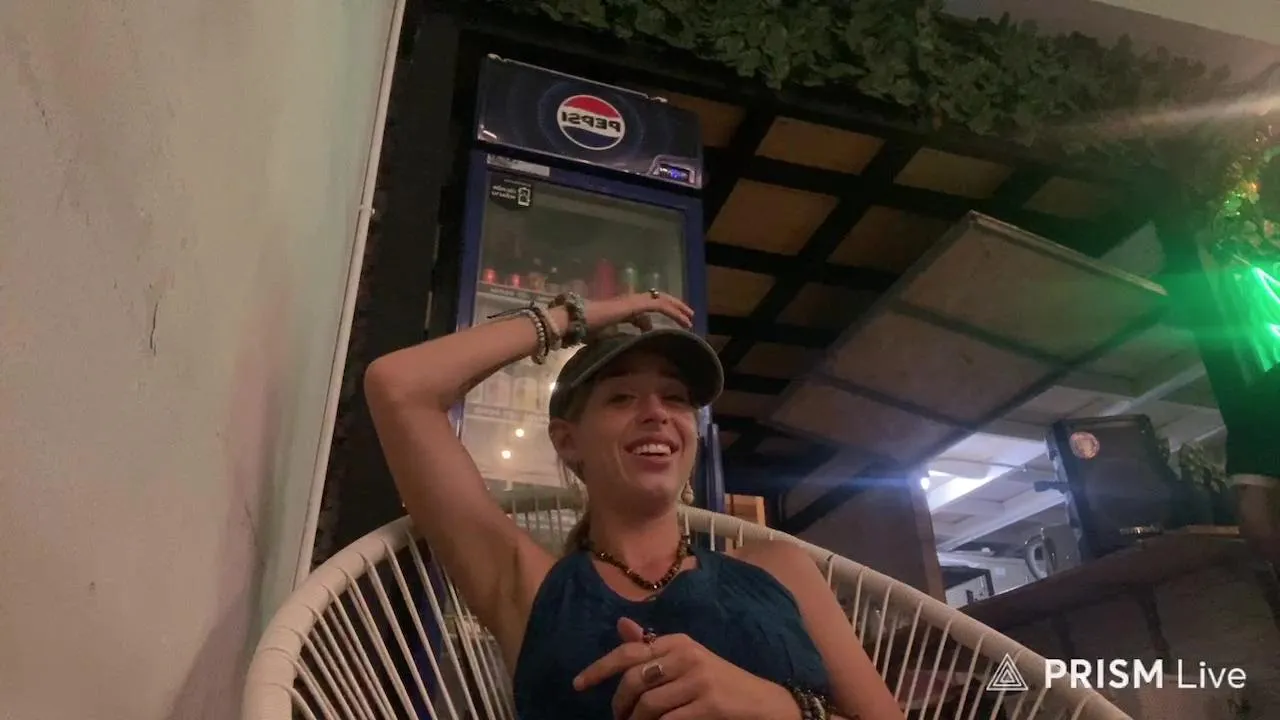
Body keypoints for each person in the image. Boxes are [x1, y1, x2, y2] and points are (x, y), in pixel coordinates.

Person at [364, 288, 904, 720]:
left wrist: (776, 707)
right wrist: (574, 316)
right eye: (621, 397)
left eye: (675, 398)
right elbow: (399, 386)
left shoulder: (778, 568)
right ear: (567, 440)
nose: (656, 412)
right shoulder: (529, 587)